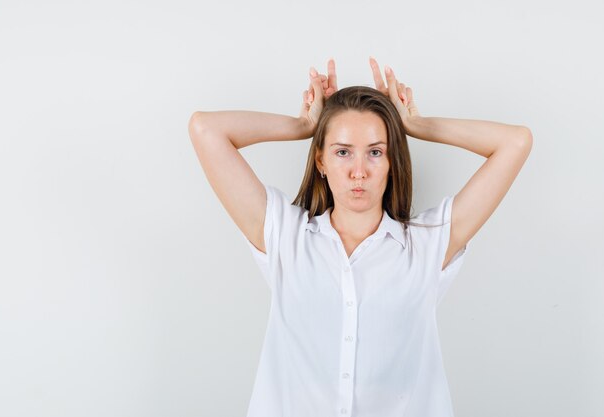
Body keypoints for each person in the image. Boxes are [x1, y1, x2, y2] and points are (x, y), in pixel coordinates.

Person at [188, 57, 532, 417]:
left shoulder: (427, 246)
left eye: (375, 152)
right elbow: (205, 129)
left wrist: (415, 124)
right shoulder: (285, 236)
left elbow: (516, 142)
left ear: (390, 161)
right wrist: (303, 124)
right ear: (320, 161)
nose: (358, 172)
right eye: (342, 152)